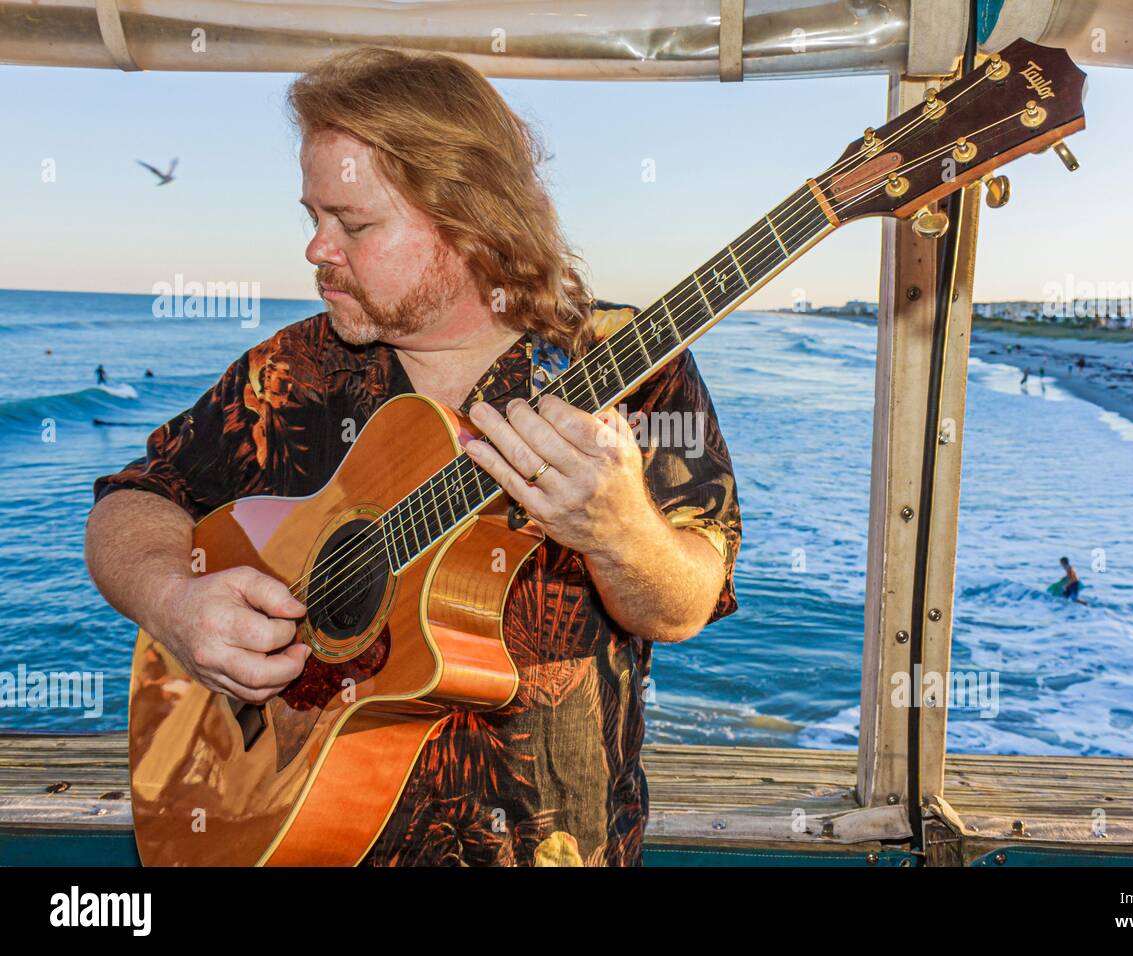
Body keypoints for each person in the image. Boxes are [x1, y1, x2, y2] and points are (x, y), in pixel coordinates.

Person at [84, 47, 742, 868]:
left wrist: (617, 532)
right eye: (313, 217)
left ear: (470, 217)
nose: (316, 250)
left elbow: (684, 603)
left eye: (352, 224)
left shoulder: (627, 364)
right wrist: (174, 603)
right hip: (301, 834)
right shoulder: (286, 373)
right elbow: (134, 498)